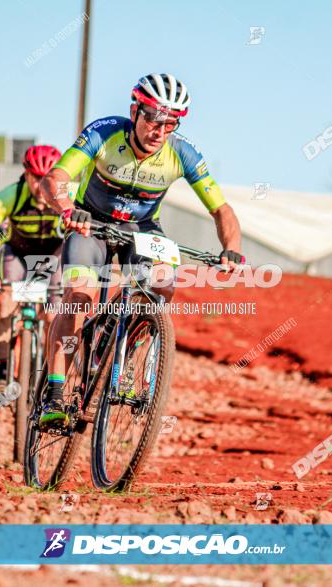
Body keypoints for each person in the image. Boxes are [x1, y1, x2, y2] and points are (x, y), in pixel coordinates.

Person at [36, 73, 244, 429]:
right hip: (92, 222)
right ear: (135, 111)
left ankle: (126, 353)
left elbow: (221, 210)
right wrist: (68, 211)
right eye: (152, 117)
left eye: (171, 122)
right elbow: (52, 179)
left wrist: (232, 249)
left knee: (161, 285)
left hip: (141, 229)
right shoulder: (104, 133)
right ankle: (53, 396)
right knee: (79, 298)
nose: (160, 129)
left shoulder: (182, 153)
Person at [0, 145, 66, 395]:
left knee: (55, 315)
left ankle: (51, 372)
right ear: (26, 175)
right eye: (36, 178)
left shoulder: (66, 195)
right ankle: (0, 373)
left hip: (51, 256)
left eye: (48, 178)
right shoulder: (11, 195)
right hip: (18, 254)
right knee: (3, 302)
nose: (41, 185)